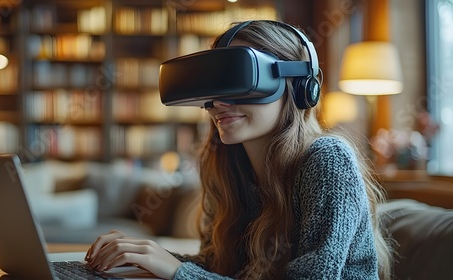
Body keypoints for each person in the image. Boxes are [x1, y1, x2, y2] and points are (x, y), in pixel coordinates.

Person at [85, 20, 394, 279]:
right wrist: (146, 256)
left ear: (298, 85)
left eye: (238, 81)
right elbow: (220, 269)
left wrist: (178, 272)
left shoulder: (327, 160)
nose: (219, 103)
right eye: (215, 86)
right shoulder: (230, 166)